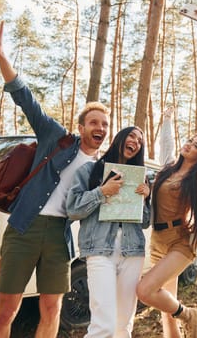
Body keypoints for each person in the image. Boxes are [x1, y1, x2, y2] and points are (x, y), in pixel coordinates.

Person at [0, 21, 110, 338]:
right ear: (81, 127)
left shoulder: (102, 169)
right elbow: (24, 97)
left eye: (105, 124)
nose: (101, 127)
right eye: (94, 121)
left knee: (52, 311)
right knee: (7, 309)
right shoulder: (55, 138)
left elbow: (100, 207)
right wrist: (0, 55)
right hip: (25, 226)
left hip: (60, 238)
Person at [136, 107, 197, 338]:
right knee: (166, 311)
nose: (189, 144)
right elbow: (167, 145)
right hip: (158, 241)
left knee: (145, 290)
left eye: (196, 145)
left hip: (179, 243)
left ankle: (190, 315)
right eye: (190, 140)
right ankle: (184, 316)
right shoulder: (168, 168)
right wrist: (167, 120)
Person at [66, 126, 150, 338]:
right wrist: (101, 192)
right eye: (132, 136)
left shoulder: (140, 178)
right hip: (100, 251)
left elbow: (146, 222)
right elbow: (73, 209)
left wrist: (146, 199)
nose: (135, 142)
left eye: (140, 141)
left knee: (123, 326)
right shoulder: (89, 170)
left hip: (133, 252)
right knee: (103, 325)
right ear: (120, 138)